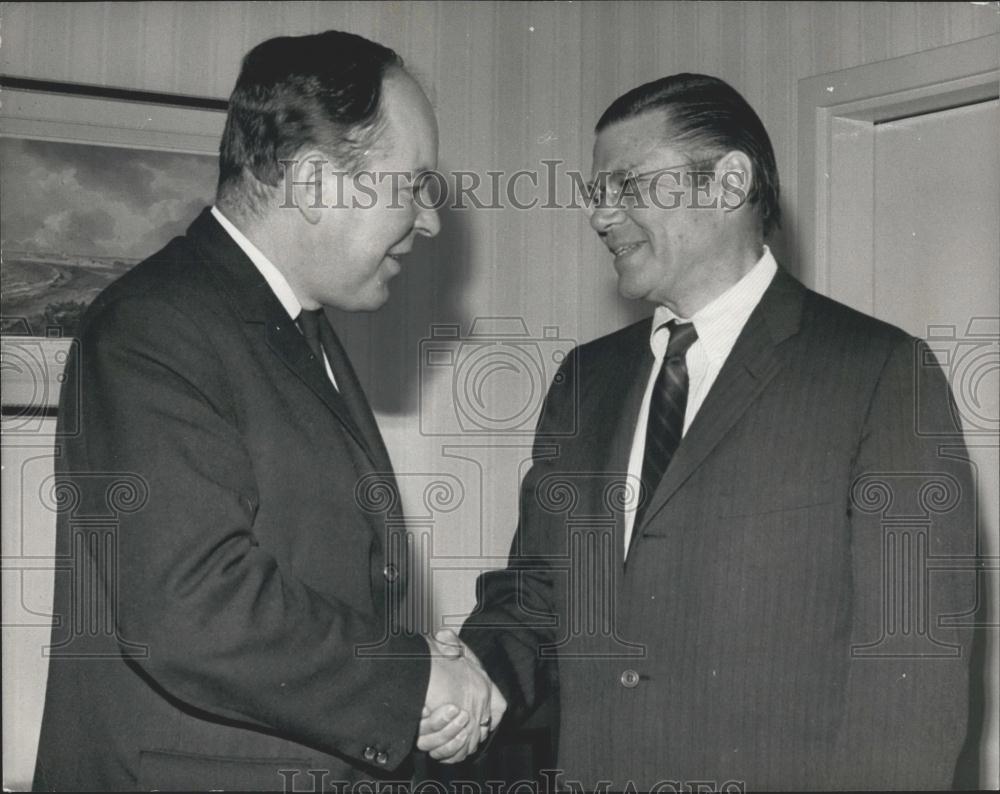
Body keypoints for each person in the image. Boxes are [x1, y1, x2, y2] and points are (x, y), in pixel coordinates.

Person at [440, 73, 976, 790]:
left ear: (727, 183)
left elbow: (912, 676)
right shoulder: (584, 381)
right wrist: (470, 680)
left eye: (625, 186)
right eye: (595, 194)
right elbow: (539, 594)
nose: (600, 217)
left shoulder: (880, 374)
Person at [33, 30, 502, 792]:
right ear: (315, 182)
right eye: (412, 185)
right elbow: (190, 604)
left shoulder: (294, 327)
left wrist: (415, 672)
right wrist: (411, 679)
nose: (430, 221)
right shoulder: (154, 322)